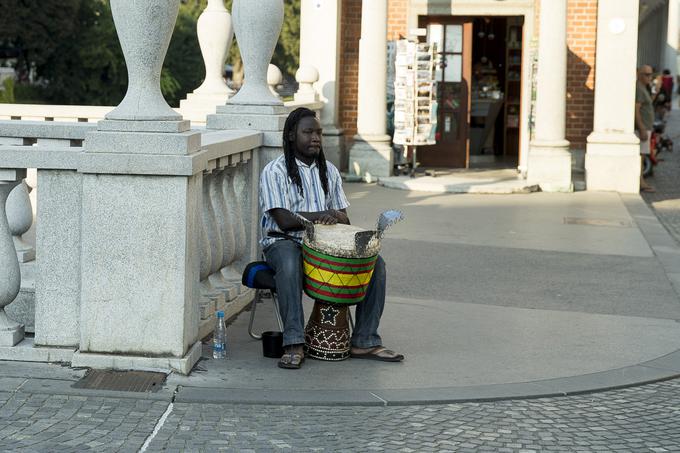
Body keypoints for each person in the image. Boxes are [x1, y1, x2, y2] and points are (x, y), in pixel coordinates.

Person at [259, 107, 404, 369]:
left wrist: (333, 217)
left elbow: (344, 219)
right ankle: (293, 342)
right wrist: (321, 215)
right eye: (308, 132)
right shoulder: (275, 171)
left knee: (376, 264)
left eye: (318, 133)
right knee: (291, 264)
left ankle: (364, 339)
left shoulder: (330, 172)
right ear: (292, 135)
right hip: (282, 241)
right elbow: (283, 219)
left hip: (324, 246)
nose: (315, 137)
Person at [635, 65, 656, 193]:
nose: (649, 77)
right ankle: (640, 182)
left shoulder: (644, 88)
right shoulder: (638, 88)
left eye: (650, 74)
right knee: (641, 155)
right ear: (639, 74)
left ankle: (641, 181)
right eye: (646, 74)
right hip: (642, 128)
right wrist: (642, 128)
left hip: (646, 127)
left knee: (643, 155)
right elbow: (636, 109)